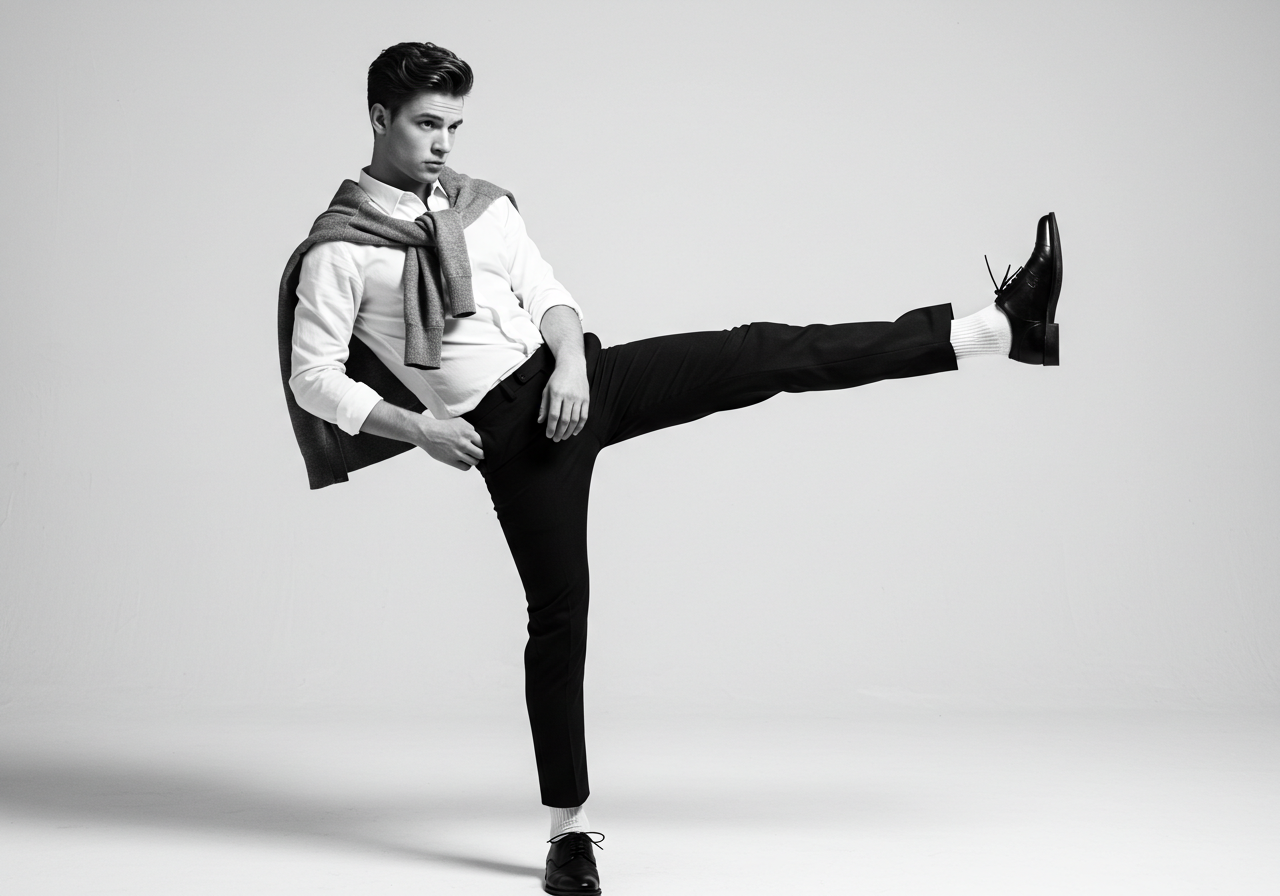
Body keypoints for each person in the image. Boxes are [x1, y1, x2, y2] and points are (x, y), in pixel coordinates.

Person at [276, 41, 1063, 896]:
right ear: (379, 117)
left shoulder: (478, 205)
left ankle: (995, 331)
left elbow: (547, 293)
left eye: (455, 127)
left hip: (578, 382)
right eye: (428, 124)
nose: (443, 146)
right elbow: (313, 377)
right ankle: (567, 835)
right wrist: (419, 428)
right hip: (510, 437)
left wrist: (573, 365)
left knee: (763, 353)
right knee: (560, 621)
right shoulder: (340, 250)